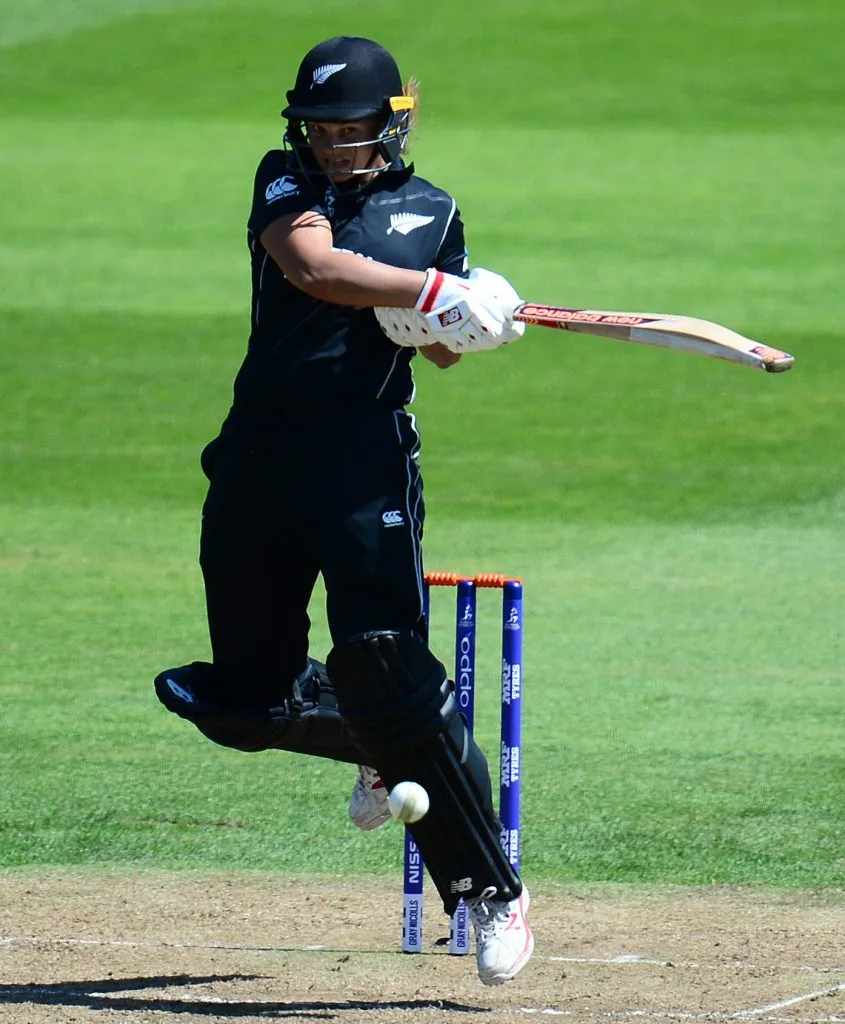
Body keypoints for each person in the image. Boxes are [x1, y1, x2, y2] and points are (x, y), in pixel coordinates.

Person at [154, 35, 533, 986]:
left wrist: (473, 319)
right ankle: (370, 740)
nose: (332, 145)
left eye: (350, 130)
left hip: (361, 459)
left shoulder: (431, 211)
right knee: (248, 703)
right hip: (256, 458)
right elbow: (315, 270)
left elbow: (434, 346)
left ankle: (492, 892)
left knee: (386, 666)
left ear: (391, 124)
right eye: (319, 129)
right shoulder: (284, 184)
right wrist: (434, 290)